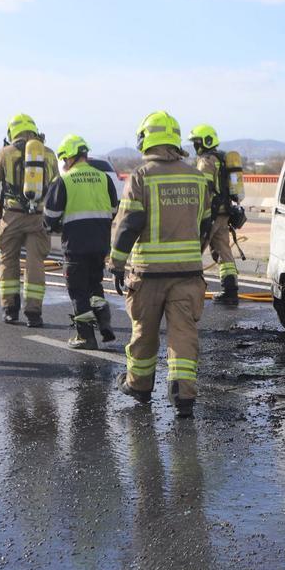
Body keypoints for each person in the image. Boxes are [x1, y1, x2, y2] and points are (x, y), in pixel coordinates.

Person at [109, 111, 211, 417]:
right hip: (188, 273)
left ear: (145, 139)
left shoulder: (142, 176)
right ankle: (183, 396)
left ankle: (139, 386)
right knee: (183, 334)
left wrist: (116, 263)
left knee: (144, 332)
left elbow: (128, 224)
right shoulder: (196, 177)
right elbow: (204, 226)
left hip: (148, 274)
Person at [43, 134, 119, 349]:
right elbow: (114, 210)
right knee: (95, 285)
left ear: (69, 158)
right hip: (100, 244)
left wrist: (55, 226)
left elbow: (50, 216)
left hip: (76, 246)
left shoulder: (64, 181)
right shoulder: (104, 178)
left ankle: (86, 336)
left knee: (77, 291)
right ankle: (104, 320)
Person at [0, 113, 57, 327]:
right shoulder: (49, 154)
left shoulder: (5, 153)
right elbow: (56, 185)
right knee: (35, 263)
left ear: (12, 133)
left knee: (8, 261)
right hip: (38, 217)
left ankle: (10, 310)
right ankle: (34, 313)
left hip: (12, 216)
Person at [188, 123, 239, 305]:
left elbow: (203, 189)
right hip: (225, 212)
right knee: (224, 250)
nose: (195, 146)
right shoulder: (222, 158)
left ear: (206, 141)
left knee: (195, 249)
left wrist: (198, 213)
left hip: (212, 213)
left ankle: (189, 289)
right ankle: (230, 290)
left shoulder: (206, 161)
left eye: (197, 142)